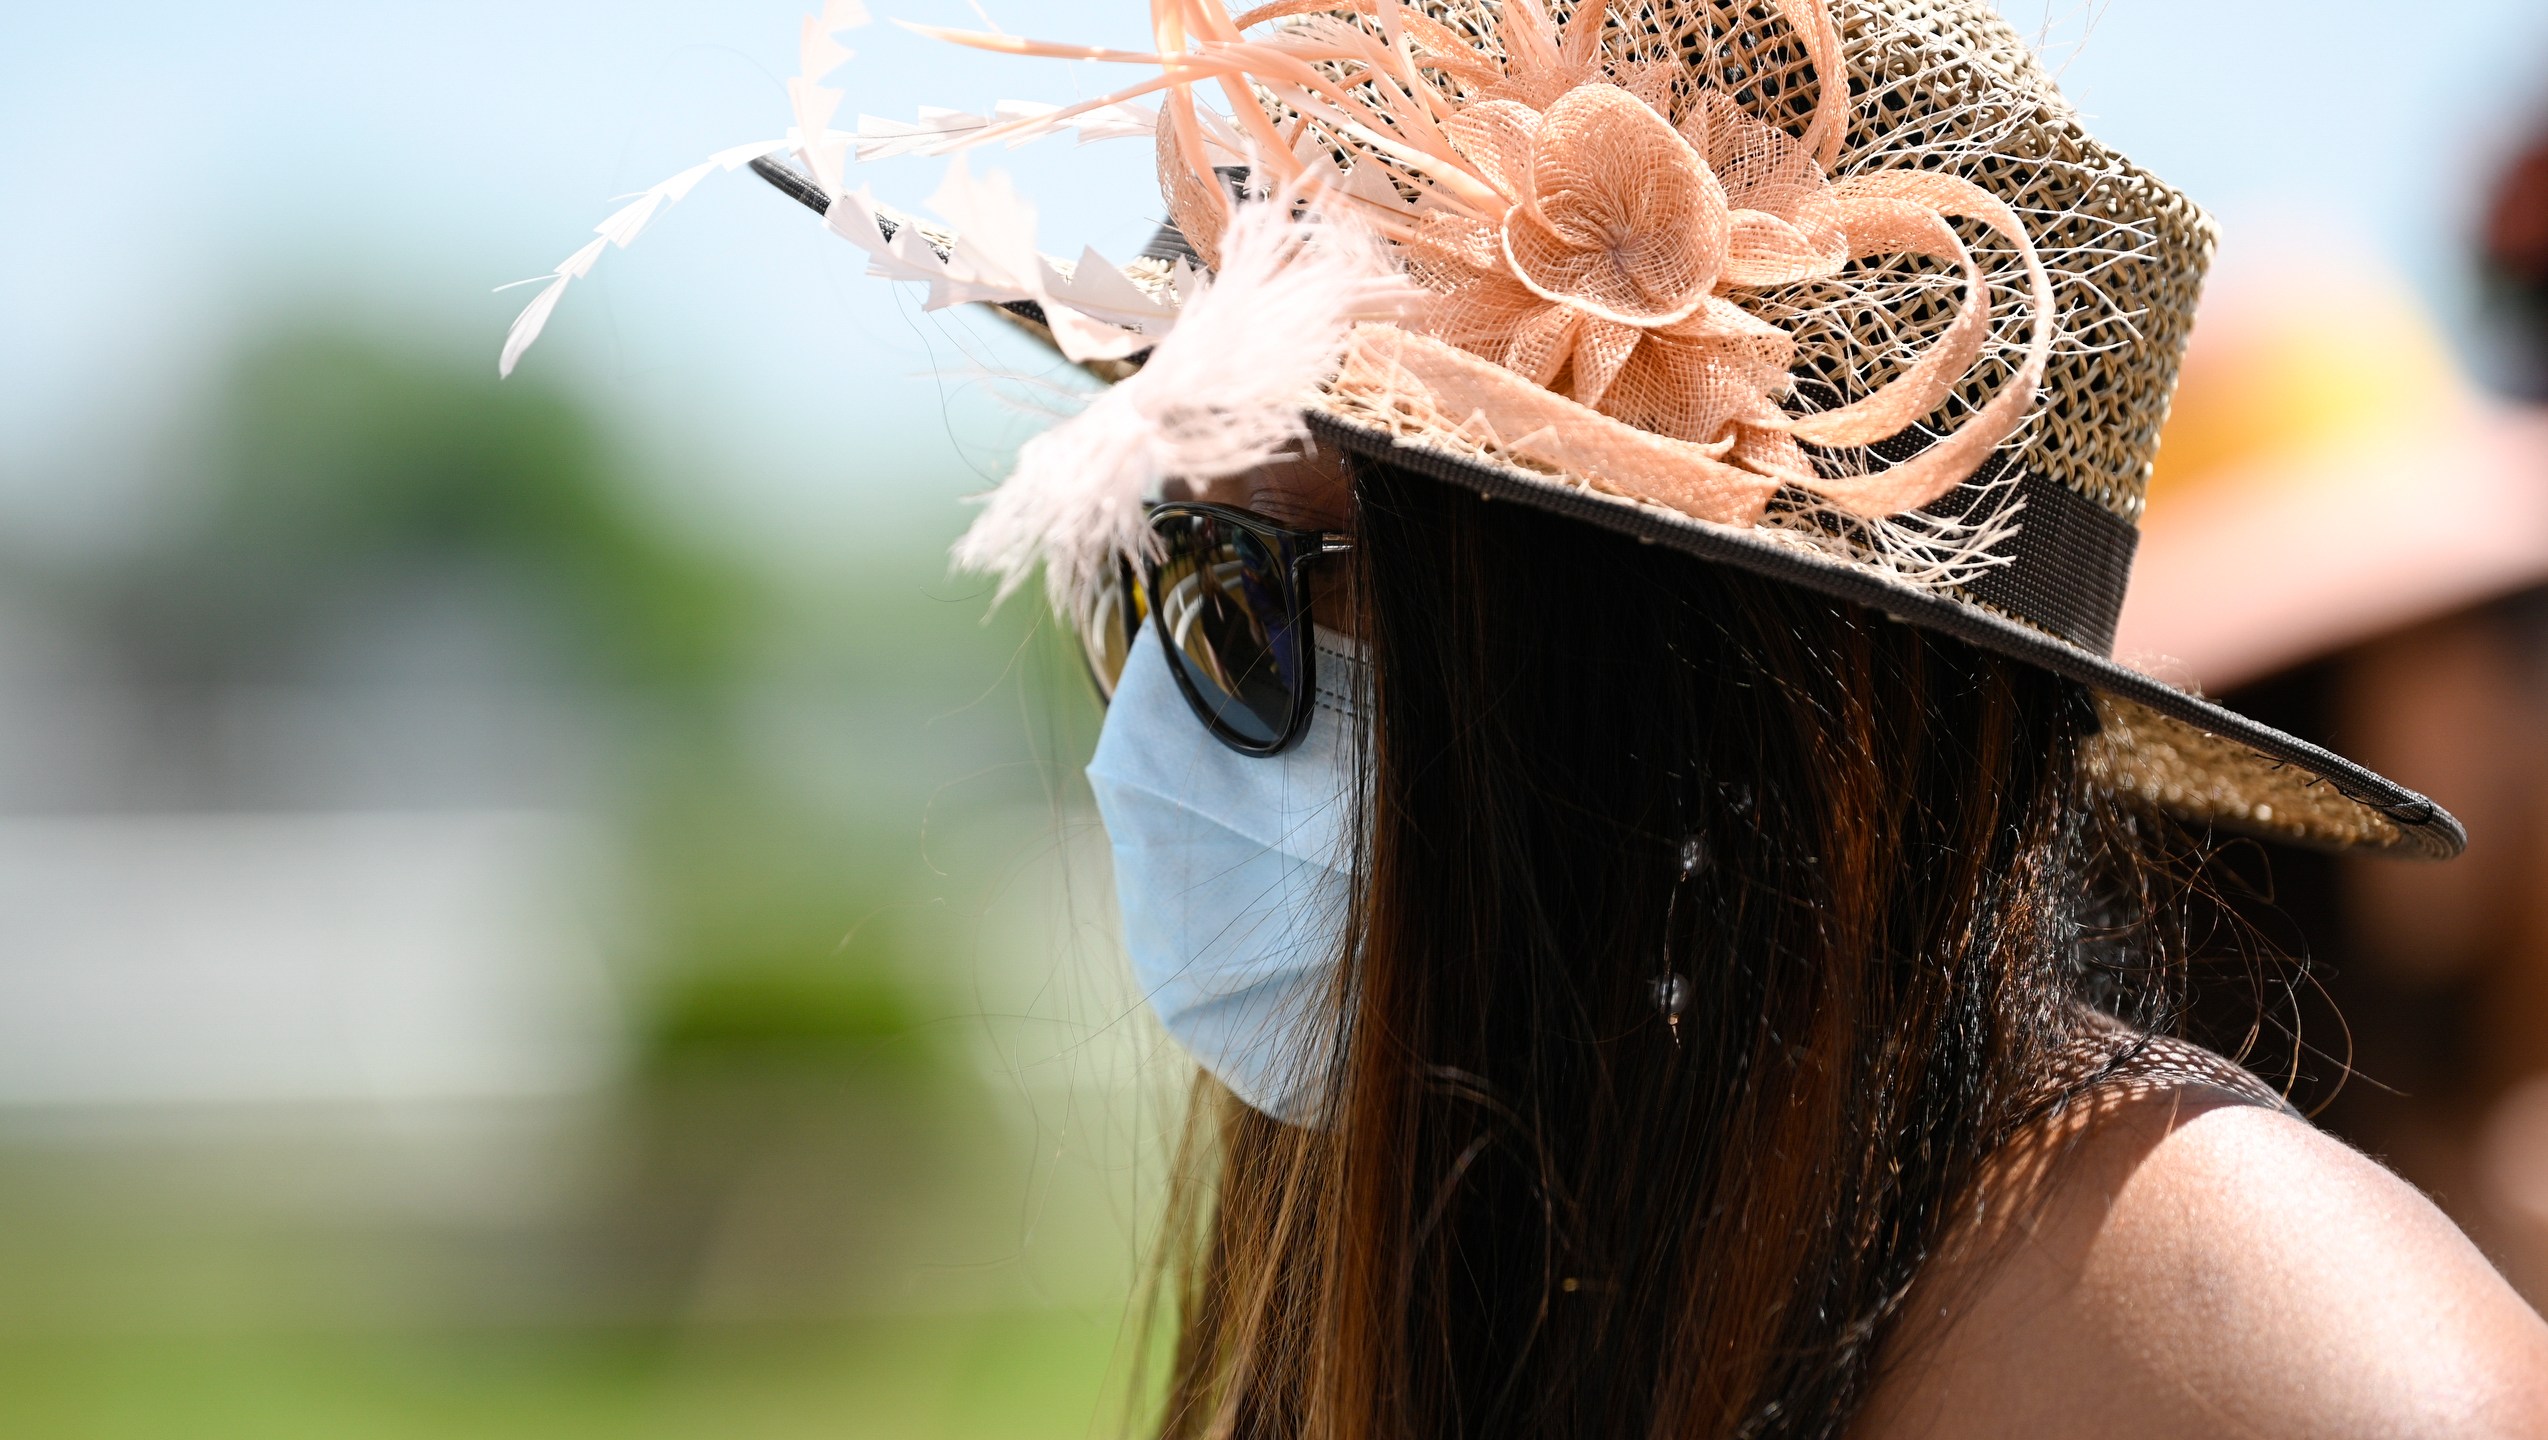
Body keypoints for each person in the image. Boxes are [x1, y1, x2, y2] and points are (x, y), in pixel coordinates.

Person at [509, 1, 2548, 1433]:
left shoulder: (2273, 1375)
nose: (1156, 707)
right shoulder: (1474, 1259)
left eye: (1250, 590)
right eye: (1148, 564)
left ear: (1675, 704)